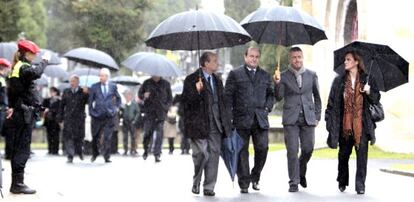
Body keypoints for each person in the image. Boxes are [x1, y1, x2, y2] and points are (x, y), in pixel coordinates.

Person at [325, 50, 380, 195]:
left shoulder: (368, 79)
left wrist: (369, 92)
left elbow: (376, 99)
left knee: (362, 156)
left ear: (356, 62)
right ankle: (342, 180)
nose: (345, 62)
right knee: (343, 155)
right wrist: (328, 121)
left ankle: (360, 185)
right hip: (345, 125)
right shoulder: (339, 81)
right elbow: (331, 103)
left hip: (362, 124)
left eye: (348, 59)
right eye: (345, 60)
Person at [224, 47, 274, 194]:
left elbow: (271, 95)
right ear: (245, 57)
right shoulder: (235, 74)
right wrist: (229, 116)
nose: (254, 59)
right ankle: (244, 182)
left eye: (257, 57)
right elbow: (227, 97)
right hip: (240, 119)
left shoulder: (265, 75)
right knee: (241, 152)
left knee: (262, 148)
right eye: (251, 56)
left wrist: (267, 108)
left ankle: (255, 176)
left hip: (260, 119)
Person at [182, 52, 231, 197]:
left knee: (214, 155)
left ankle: (209, 186)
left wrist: (226, 122)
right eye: (215, 61)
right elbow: (185, 102)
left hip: (216, 124)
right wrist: (196, 91)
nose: (218, 63)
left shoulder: (217, 80)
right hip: (198, 125)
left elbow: (222, 103)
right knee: (201, 154)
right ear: (206, 63)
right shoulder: (191, 79)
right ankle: (196, 182)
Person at [5, 39, 50, 194]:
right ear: (27, 53)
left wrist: (12, 106)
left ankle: (17, 183)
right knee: (22, 149)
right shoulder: (23, 67)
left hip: (21, 111)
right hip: (24, 114)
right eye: (34, 54)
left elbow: (13, 92)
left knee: (19, 148)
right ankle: (18, 184)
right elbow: (37, 73)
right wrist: (45, 61)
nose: (35, 56)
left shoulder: (16, 68)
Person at [273, 47, 322, 192]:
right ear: (290, 59)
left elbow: (317, 98)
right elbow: (279, 97)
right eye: (294, 57)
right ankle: (293, 182)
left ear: (302, 58)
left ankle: (301, 171)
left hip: (308, 118)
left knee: (308, 148)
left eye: (299, 57)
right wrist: (277, 83)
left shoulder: (312, 75)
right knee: (292, 150)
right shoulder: (283, 75)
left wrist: (317, 116)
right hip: (291, 119)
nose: (297, 60)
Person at [88, 68, 121, 163]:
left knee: (107, 137)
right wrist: (92, 112)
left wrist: (115, 109)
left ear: (107, 77)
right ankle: (95, 153)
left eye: (102, 76)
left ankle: (107, 156)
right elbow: (90, 101)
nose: (100, 77)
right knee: (95, 136)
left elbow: (118, 99)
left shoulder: (113, 86)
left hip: (109, 115)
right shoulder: (94, 87)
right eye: (100, 75)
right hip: (97, 116)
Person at [138, 75, 172, 162]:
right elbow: (140, 95)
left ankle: (157, 154)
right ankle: (146, 149)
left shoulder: (166, 84)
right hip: (149, 113)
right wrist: (144, 95)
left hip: (161, 113)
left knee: (160, 134)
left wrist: (166, 108)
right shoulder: (147, 83)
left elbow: (170, 98)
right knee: (147, 133)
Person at [58, 75, 89, 163]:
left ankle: (79, 151)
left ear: (78, 82)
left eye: (74, 81)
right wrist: (60, 119)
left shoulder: (82, 92)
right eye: (71, 81)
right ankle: (70, 155)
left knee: (79, 137)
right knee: (68, 137)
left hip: (79, 119)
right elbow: (61, 106)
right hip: (69, 119)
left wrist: (87, 93)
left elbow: (88, 101)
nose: (72, 83)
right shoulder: (66, 91)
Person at [120, 90, 140, 156]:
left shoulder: (134, 104)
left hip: (132, 122)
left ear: (131, 96)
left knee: (133, 137)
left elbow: (138, 112)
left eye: (128, 95)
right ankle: (125, 150)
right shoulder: (123, 104)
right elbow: (121, 113)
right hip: (125, 122)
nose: (127, 97)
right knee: (125, 137)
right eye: (126, 96)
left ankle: (133, 150)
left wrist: (135, 120)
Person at [42, 87, 61, 155]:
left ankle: (55, 150)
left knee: (56, 136)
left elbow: (59, 110)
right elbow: (42, 107)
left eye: (53, 92)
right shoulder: (47, 100)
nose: (51, 93)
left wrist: (50, 110)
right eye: (51, 92)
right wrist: (45, 110)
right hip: (48, 120)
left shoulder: (59, 100)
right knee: (49, 135)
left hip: (55, 120)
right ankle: (50, 149)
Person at [0, 59, 11, 159]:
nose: (8, 70)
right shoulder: (1, 79)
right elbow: (3, 96)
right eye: (7, 68)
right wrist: (6, 106)